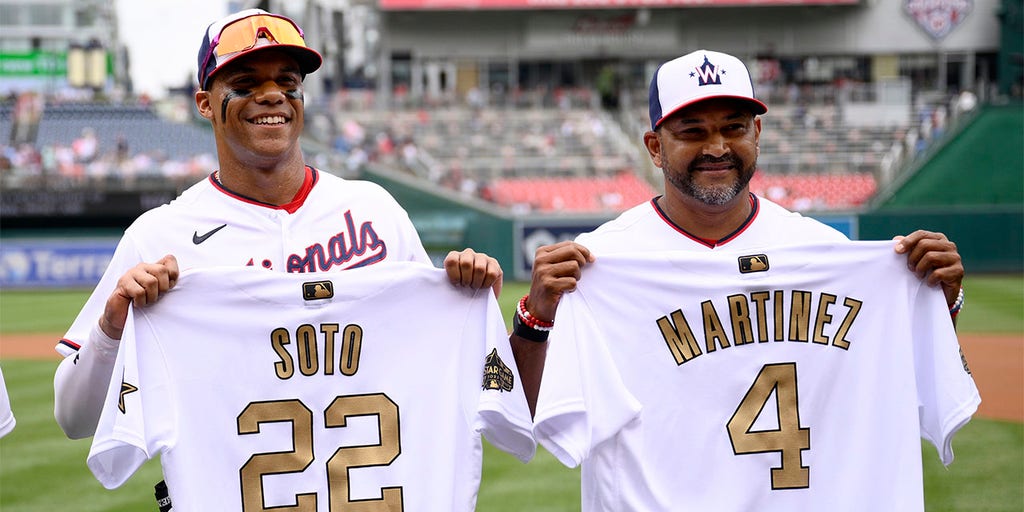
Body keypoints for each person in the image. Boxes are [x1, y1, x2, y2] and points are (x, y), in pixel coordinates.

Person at [508, 50, 977, 510]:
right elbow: (530, 416)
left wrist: (941, 304)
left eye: (733, 127)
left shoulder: (824, 252)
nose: (716, 147)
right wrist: (535, 320)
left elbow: (918, 387)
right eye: (693, 131)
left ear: (757, 132)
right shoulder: (601, 262)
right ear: (654, 147)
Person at [53, 8, 504, 441]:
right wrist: (112, 324)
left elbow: (449, 367)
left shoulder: (375, 211)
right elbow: (74, 417)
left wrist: (468, 304)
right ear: (205, 104)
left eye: (287, 80)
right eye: (245, 82)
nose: (272, 95)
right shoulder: (158, 235)